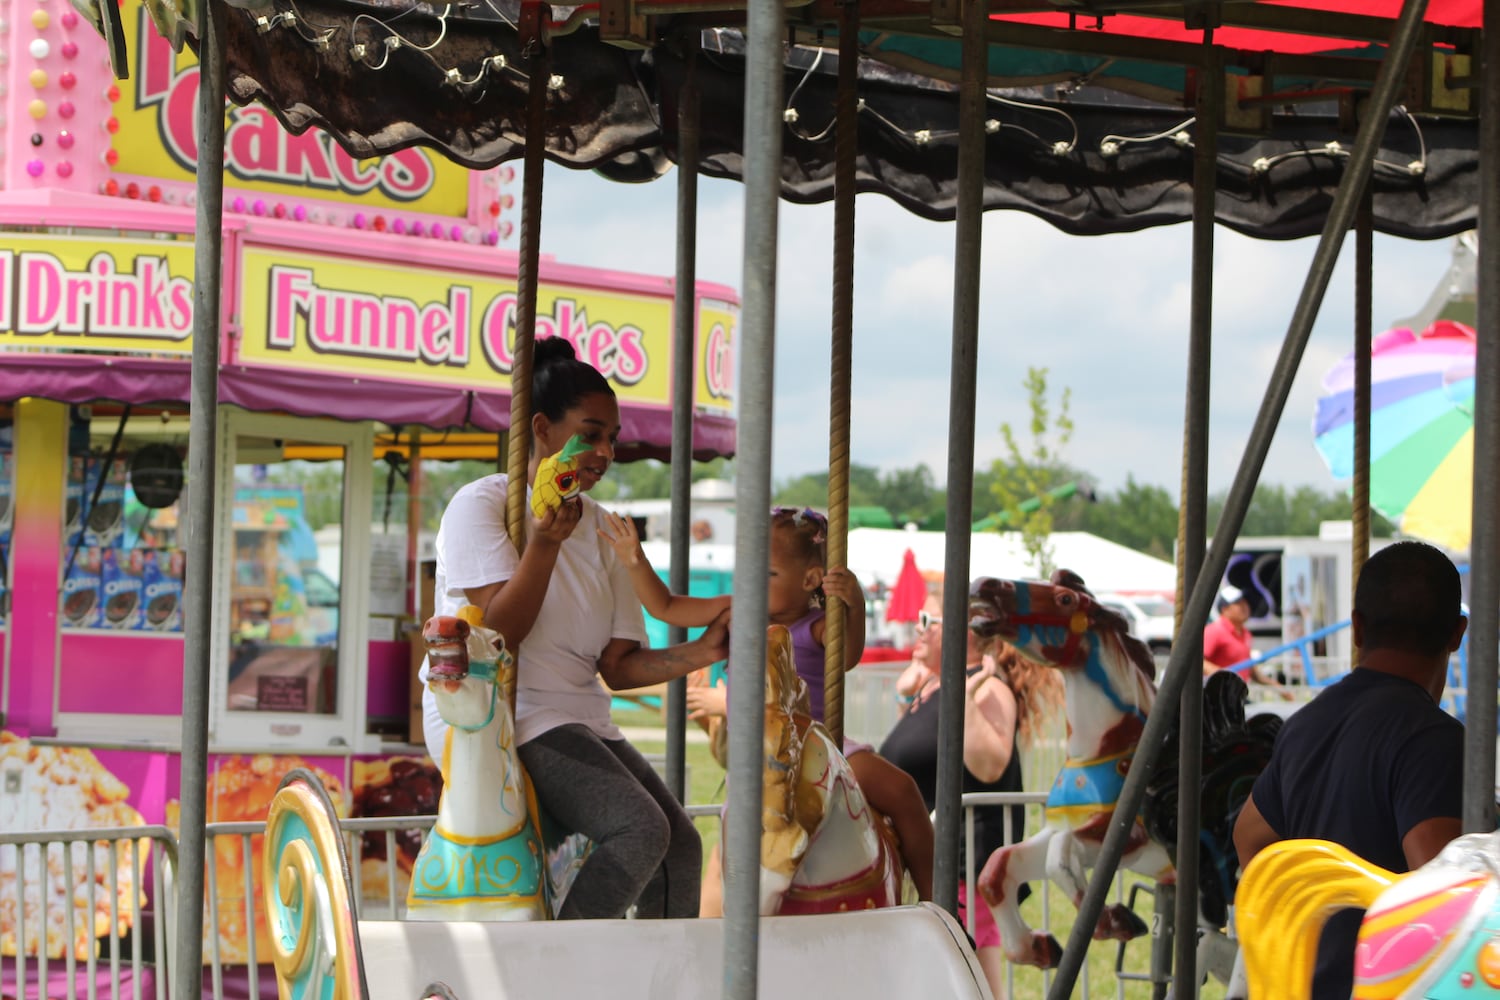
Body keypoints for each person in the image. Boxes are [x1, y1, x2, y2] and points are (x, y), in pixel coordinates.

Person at [420, 337, 729, 920]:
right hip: (503, 709)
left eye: (612, 438)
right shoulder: (482, 505)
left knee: (681, 846)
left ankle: (662, 968)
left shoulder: (604, 528)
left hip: (576, 714)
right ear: (542, 428)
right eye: (590, 434)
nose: (605, 452)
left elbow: (618, 667)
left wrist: (703, 650)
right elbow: (499, 636)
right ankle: (565, 956)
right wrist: (543, 544)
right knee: (640, 829)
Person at [598, 504, 936, 909]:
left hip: (818, 750)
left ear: (809, 579)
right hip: (760, 757)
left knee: (903, 790)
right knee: (736, 843)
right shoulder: (737, 612)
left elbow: (845, 658)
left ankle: (936, 900)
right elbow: (666, 607)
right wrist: (635, 561)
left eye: (769, 573)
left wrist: (855, 607)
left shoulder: (817, 626)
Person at [1232, 540, 1467, 1000]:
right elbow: (1443, 892)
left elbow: (1248, 837)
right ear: (1457, 633)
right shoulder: (1433, 740)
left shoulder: (1305, 724)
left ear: (1357, 628)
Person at [879, 588, 1063, 998]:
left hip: (962, 865)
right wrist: (904, 696)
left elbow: (989, 765)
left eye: (927, 621)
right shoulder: (934, 686)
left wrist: (962, 696)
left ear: (960, 631)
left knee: (973, 983)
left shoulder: (988, 689)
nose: (917, 630)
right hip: (930, 862)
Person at [1204, 584, 1292, 699]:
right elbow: (1199, 663)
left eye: (1244, 602)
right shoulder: (1214, 631)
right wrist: (1225, 677)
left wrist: (1277, 687)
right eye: (1237, 603)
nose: (1244, 606)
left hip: (1235, 696)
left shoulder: (1245, 633)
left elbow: (1250, 669)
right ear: (1225, 609)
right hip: (1217, 697)